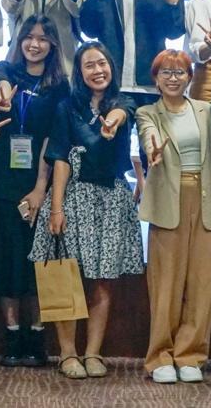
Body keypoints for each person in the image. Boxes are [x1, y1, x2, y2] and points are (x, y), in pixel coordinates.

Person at [28, 41, 144, 380]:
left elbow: (122, 114)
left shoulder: (123, 102)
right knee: (66, 276)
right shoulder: (67, 107)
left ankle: (93, 352)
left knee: (103, 280)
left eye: (102, 63)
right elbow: (60, 157)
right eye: (89, 65)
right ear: (79, 72)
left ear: (111, 67)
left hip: (111, 199)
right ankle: (67, 353)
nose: (98, 70)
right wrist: (56, 208)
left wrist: (112, 122)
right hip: (73, 196)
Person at [136, 49, 211, 385]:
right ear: (155, 79)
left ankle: (191, 355)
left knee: (200, 284)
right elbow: (149, 138)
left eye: (179, 72)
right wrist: (153, 152)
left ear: (190, 77)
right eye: (166, 72)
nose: (173, 78)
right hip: (168, 202)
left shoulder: (206, 110)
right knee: (166, 286)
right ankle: (160, 355)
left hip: (205, 199)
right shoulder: (147, 112)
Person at [0, 16, 65, 368]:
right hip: (1, 178)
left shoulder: (58, 86)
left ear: (53, 45)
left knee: (37, 262)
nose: (35, 44)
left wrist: (39, 189)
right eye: (29, 37)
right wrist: (4, 89)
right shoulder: (7, 72)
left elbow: (53, 139)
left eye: (43, 39)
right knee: (8, 259)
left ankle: (36, 334)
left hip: (39, 180)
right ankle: (11, 333)